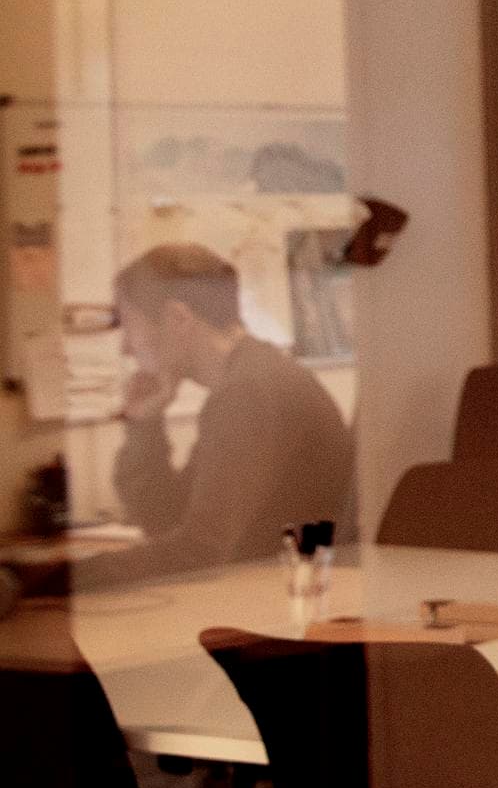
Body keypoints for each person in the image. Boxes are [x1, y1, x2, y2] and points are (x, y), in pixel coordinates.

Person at [104, 243, 351, 575]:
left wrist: (60, 578)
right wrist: (144, 425)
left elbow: (198, 552)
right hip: (263, 584)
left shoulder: (250, 392)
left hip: (280, 592)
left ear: (178, 319)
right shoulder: (248, 379)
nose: (125, 348)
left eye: (129, 325)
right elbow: (166, 520)